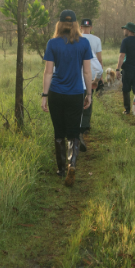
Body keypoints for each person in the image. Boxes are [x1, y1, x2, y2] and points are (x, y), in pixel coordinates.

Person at [41, 10, 93, 187]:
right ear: (76, 25)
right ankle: (73, 164)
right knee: (73, 132)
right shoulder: (84, 43)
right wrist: (89, 94)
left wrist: (44, 95)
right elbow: (87, 71)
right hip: (76, 93)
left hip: (56, 93)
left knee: (59, 132)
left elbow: (48, 72)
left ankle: (61, 169)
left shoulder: (52, 43)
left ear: (60, 24)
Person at [79, 18, 103, 152]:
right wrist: (99, 78)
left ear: (80, 27)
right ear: (91, 27)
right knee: (88, 100)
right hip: (91, 73)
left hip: (75, 77)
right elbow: (99, 60)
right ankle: (85, 126)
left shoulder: (76, 38)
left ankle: (76, 130)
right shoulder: (96, 40)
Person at [116, 22, 135, 115]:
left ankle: (127, 109)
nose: (124, 31)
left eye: (125, 29)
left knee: (126, 89)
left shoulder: (125, 41)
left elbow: (122, 55)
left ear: (128, 30)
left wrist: (117, 69)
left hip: (127, 69)